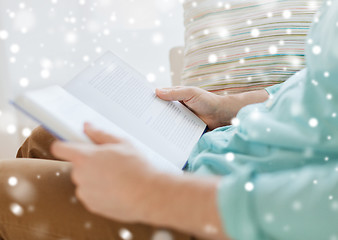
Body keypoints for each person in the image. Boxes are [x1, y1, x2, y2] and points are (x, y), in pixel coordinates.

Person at [1, 1, 338, 240]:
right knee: (46, 139)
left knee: (6, 189)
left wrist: (150, 192)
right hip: (217, 154)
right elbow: (312, 86)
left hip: (230, 212)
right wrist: (225, 107)